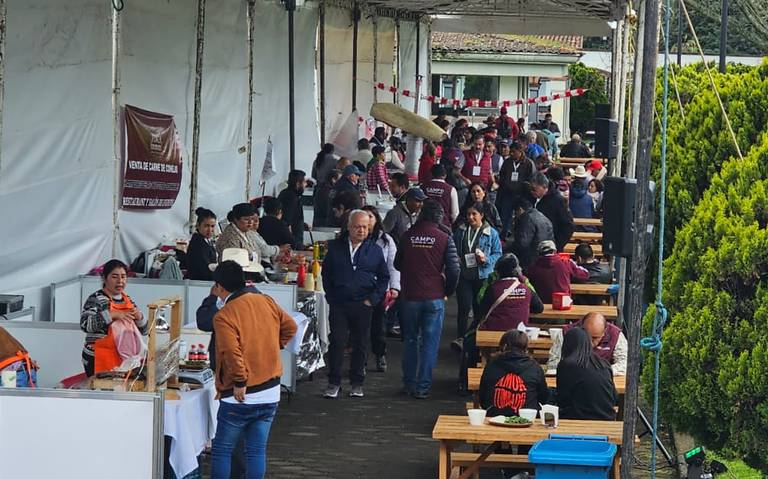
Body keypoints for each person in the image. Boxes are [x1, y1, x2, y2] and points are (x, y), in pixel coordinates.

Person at [209, 261, 297, 479]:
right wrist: (271, 347)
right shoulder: (265, 300)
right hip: (271, 390)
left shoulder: (224, 315)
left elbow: (231, 353)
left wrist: (240, 381)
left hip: (239, 394)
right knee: (256, 451)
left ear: (219, 287)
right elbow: (290, 327)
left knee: (222, 450)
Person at [395, 200, 460, 398]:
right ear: (440, 217)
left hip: (410, 296)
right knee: (430, 344)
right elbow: (454, 269)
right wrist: (447, 290)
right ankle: (423, 388)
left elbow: (398, 264)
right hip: (434, 297)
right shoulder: (445, 238)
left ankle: (409, 384)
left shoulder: (408, 236)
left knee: (410, 341)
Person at [321, 211, 389, 398]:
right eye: (358, 226)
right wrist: (331, 297)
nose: (361, 230)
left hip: (363, 303)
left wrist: (373, 299)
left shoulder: (374, 250)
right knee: (337, 342)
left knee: (360, 344)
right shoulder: (335, 248)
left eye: (366, 227)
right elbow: (326, 274)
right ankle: (333, 382)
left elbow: (384, 277)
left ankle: (357, 383)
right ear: (349, 227)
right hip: (340, 303)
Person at [80, 259, 149, 377]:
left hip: (123, 359)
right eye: (115, 277)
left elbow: (145, 330)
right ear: (104, 278)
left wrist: (139, 317)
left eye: (123, 277)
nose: (120, 281)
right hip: (98, 358)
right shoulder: (96, 299)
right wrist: (112, 314)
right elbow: (85, 325)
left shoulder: (127, 300)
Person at [452, 203, 502, 350]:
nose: (471, 217)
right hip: (464, 276)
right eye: (468, 214)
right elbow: (453, 249)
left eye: (474, 214)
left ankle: (476, 338)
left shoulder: (491, 232)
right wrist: (457, 259)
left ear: (482, 215)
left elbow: (498, 253)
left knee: (480, 309)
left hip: (482, 276)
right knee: (464, 308)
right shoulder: (461, 231)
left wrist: (487, 260)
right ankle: (461, 338)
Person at [361, 206, 400, 373]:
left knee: (378, 326)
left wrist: (395, 287)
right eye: (364, 216)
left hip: (379, 289)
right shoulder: (356, 238)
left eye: (370, 216)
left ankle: (380, 354)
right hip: (359, 289)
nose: (367, 220)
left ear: (376, 219)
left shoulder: (386, 240)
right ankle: (360, 360)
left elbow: (393, 265)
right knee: (360, 327)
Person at [479, 330, 551, 417]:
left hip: (495, 417)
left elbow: (482, 398)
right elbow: (543, 398)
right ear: (526, 348)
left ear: (504, 346)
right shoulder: (535, 367)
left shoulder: (491, 366)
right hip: (528, 419)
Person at [556, 327, 618, 420]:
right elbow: (614, 397)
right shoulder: (603, 363)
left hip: (578, 417)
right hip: (607, 417)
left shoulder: (566, 365)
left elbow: (562, 398)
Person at [548, 312, 628, 376]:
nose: (589, 342)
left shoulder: (616, 335)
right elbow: (554, 363)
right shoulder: (566, 333)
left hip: (601, 381)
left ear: (604, 332)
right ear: (581, 327)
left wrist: (600, 372)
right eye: (586, 336)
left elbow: (624, 364)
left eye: (595, 338)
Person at [216, 203, 287, 265]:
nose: (250, 222)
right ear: (235, 219)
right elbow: (233, 265)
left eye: (252, 219)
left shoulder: (247, 232)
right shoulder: (230, 238)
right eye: (246, 219)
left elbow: (257, 251)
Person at [525, 240, 589, 304]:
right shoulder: (566, 262)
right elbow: (585, 274)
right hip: (563, 303)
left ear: (539, 252)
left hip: (541, 304)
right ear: (554, 251)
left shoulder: (533, 267)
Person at [496, 145, 537, 237]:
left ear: (520, 151)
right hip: (508, 194)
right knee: (505, 216)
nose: (511, 153)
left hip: (523, 195)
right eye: (511, 151)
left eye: (514, 152)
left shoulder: (529, 163)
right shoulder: (507, 162)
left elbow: (532, 179)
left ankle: (522, 236)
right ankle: (503, 236)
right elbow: (502, 176)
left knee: (523, 218)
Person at [530, 172, 574, 251]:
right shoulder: (530, 198)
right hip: (534, 245)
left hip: (550, 246)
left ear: (544, 187)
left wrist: (557, 245)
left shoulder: (558, 201)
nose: (532, 191)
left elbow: (569, 225)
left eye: (534, 189)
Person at [507, 197, 554, 268]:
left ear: (520, 209)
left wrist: (508, 247)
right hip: (546, 256)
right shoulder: (544, 217)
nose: (516, 215)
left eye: (516, 213)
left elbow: (522, 243)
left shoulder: (526, 219)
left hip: (531, 260)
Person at [421, 164, 459, 229]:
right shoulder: (451, 189)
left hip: (424, 225)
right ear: (445, 175)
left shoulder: (423, 187)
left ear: (431, 174)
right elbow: (455, 213)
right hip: (444, 226)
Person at [277, 169, 307, 249]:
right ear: (298, 184)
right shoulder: (291, 198)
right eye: (304, 182)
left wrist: (303, 224)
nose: (306, 184)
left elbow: (293, 217)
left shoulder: (285, 193)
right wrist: (293, 242)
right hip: (292, 243)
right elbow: (286, 221)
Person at [187, 207, 218, 281]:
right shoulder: (198, 244)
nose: (210, 230)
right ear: (198, 225)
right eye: (206, 226)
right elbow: (205, 270)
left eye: (212, 226)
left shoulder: (205, 240)